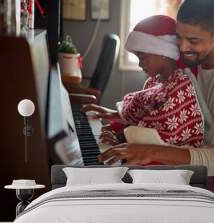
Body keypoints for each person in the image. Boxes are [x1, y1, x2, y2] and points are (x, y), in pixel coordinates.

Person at [88, 0, 214, 177]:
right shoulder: (187, 61)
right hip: (180, 159)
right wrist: (122, 117)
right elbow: (168, 117)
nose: (182, 47)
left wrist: (148, 151)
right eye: (179, 37)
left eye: (193, 40)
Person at [85, 15, 207, 149]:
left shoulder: (182, 85)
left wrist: (121, 137)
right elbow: (143, 118)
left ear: (163, 52)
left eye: (143, 57)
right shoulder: (154, 81)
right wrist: (113, 116)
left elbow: (165, 133)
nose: (139, 64)